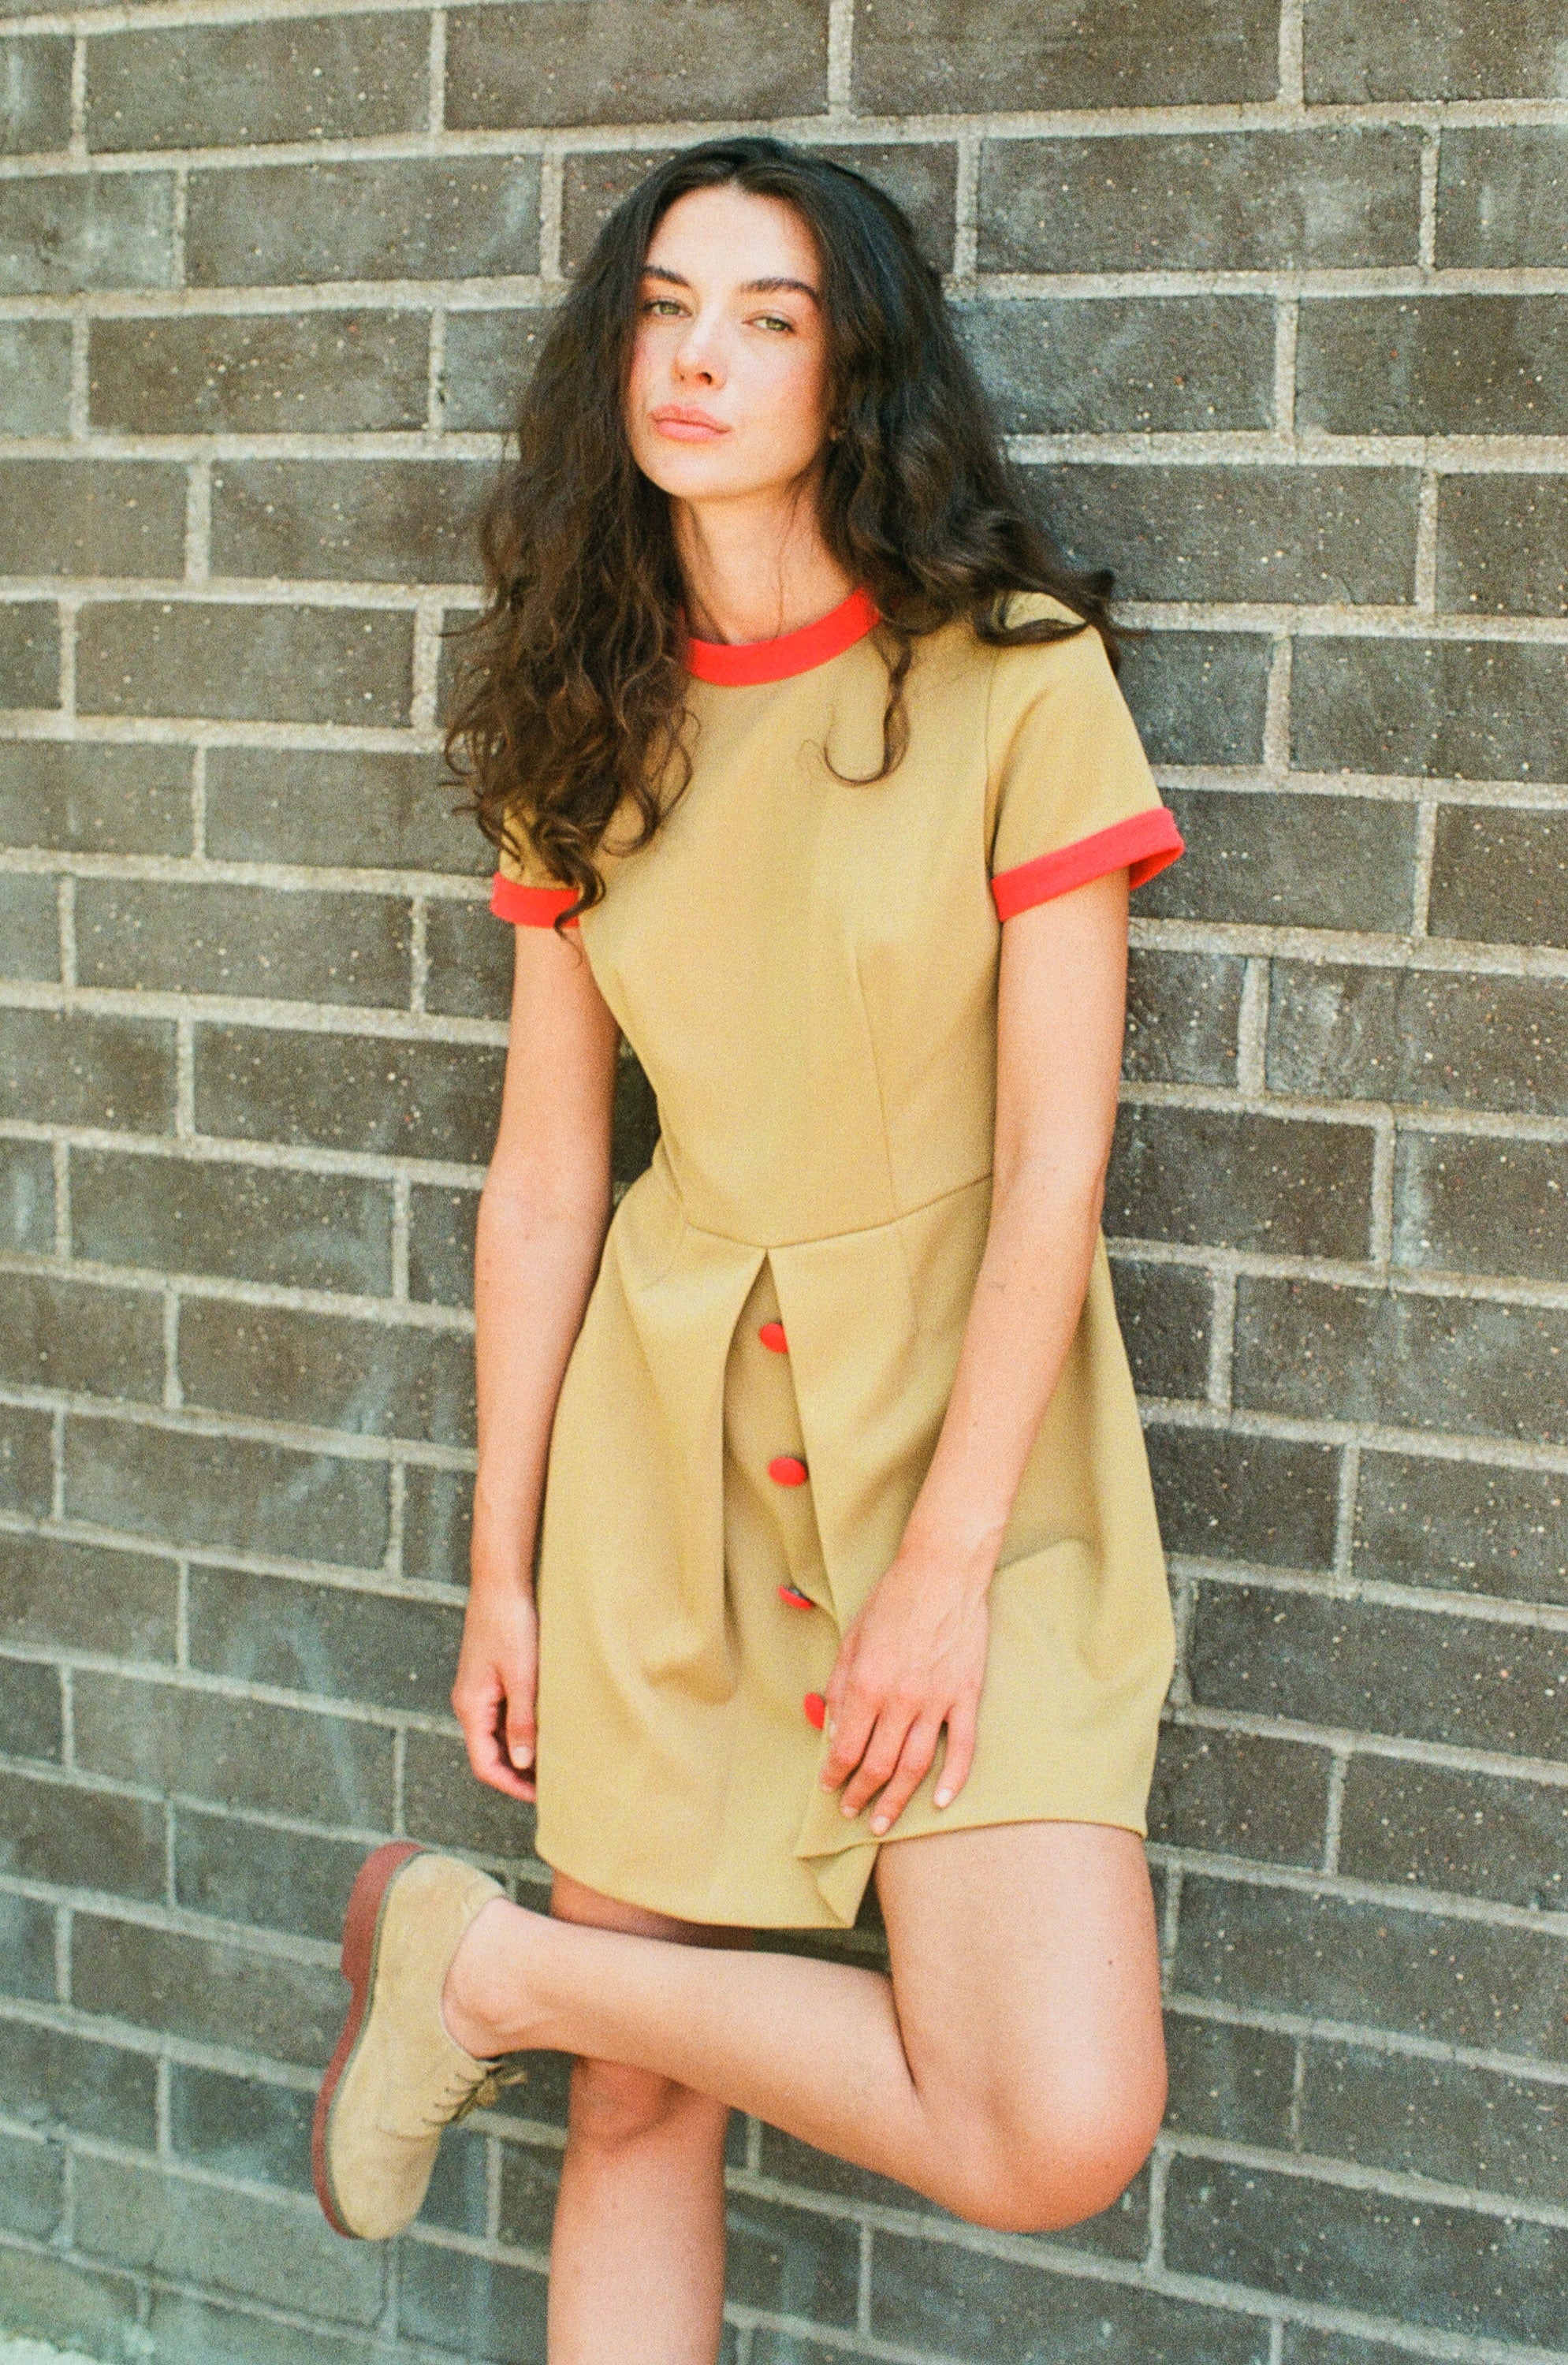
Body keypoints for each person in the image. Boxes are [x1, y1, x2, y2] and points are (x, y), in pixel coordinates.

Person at [311, 136, 1185, 2361]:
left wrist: (941, 1567)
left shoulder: (1013, 678)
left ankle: (479, 1965)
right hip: (668, 1452)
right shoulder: (576, 717)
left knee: (1055, 2118)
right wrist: (496, 1560)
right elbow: (544, 1179)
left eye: (768, 317)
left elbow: (1055, 1164)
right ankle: (538, 1990)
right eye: (665, 308)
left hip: (978, 1461)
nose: (697, 358)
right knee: (635, 2108)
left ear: (849, 372)